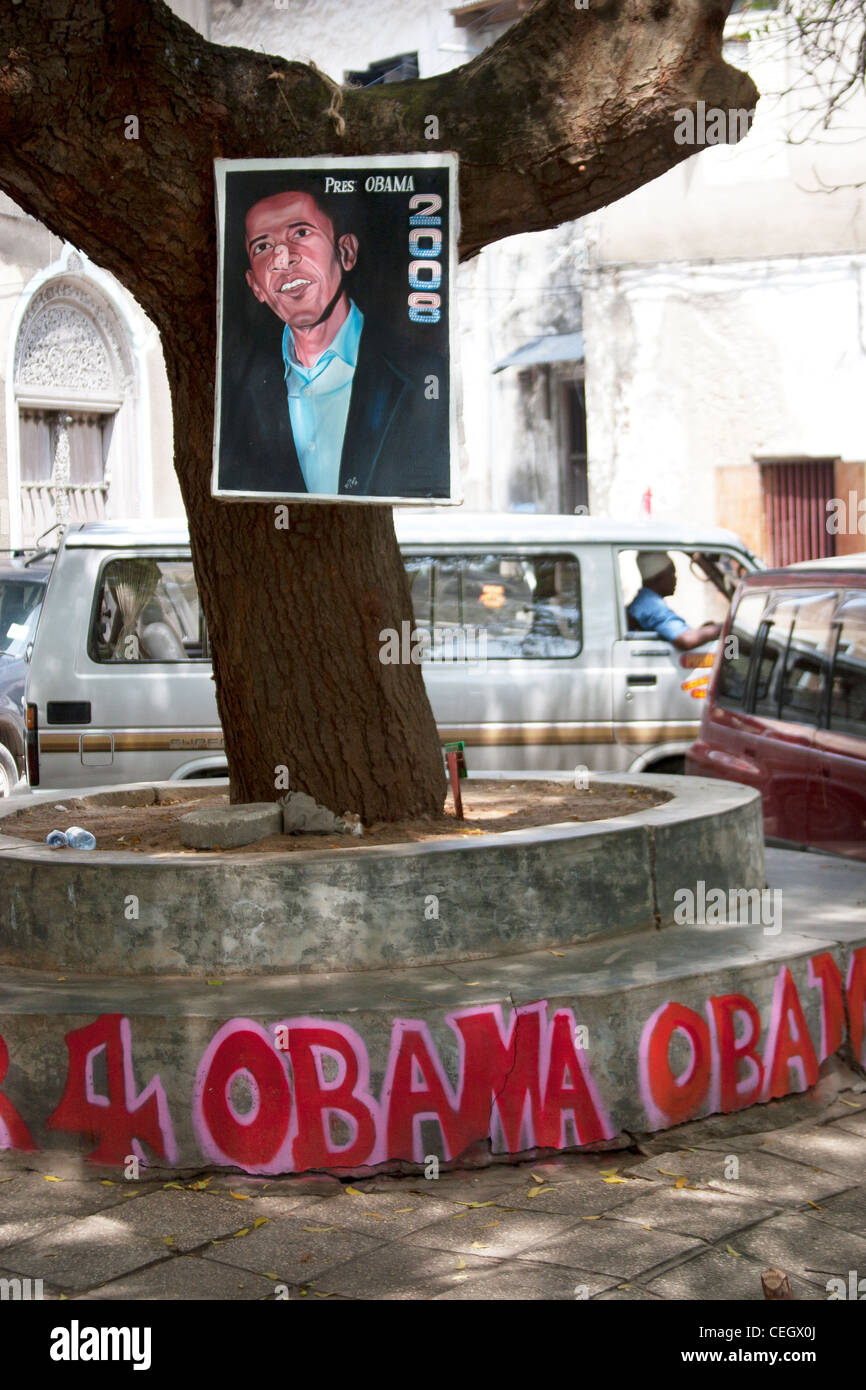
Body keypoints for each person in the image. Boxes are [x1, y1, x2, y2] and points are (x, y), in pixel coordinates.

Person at [217, 188, 449, 499]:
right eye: (263, 246)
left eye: (300, 232)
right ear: (256, 286)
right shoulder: (236, 390)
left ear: (346, 253)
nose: (282, 259)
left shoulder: (421, 372)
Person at [627, 552, 722, 650]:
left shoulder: (645, 599)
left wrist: (705, 630)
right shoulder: (649, 602)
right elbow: (686, 639)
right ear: (657, 578)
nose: (675, 578)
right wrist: (725, 627)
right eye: (672, 573)